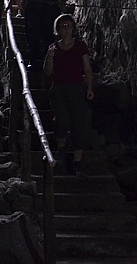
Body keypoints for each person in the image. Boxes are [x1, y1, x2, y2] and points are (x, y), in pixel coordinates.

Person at [43, 14, 94, 176]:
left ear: (73, 28)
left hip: (77, 88)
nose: (66, 29)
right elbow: (47, 72)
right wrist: (49, 58)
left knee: (79, 124)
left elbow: (87, 68)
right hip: (59, 88)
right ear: (58, 29)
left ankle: (77, 161)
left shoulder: (80, 46)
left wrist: (90, 87)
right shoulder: (53, 48)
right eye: (63, 26)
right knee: (62, 120)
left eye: (69, 25)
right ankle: (61, 148)